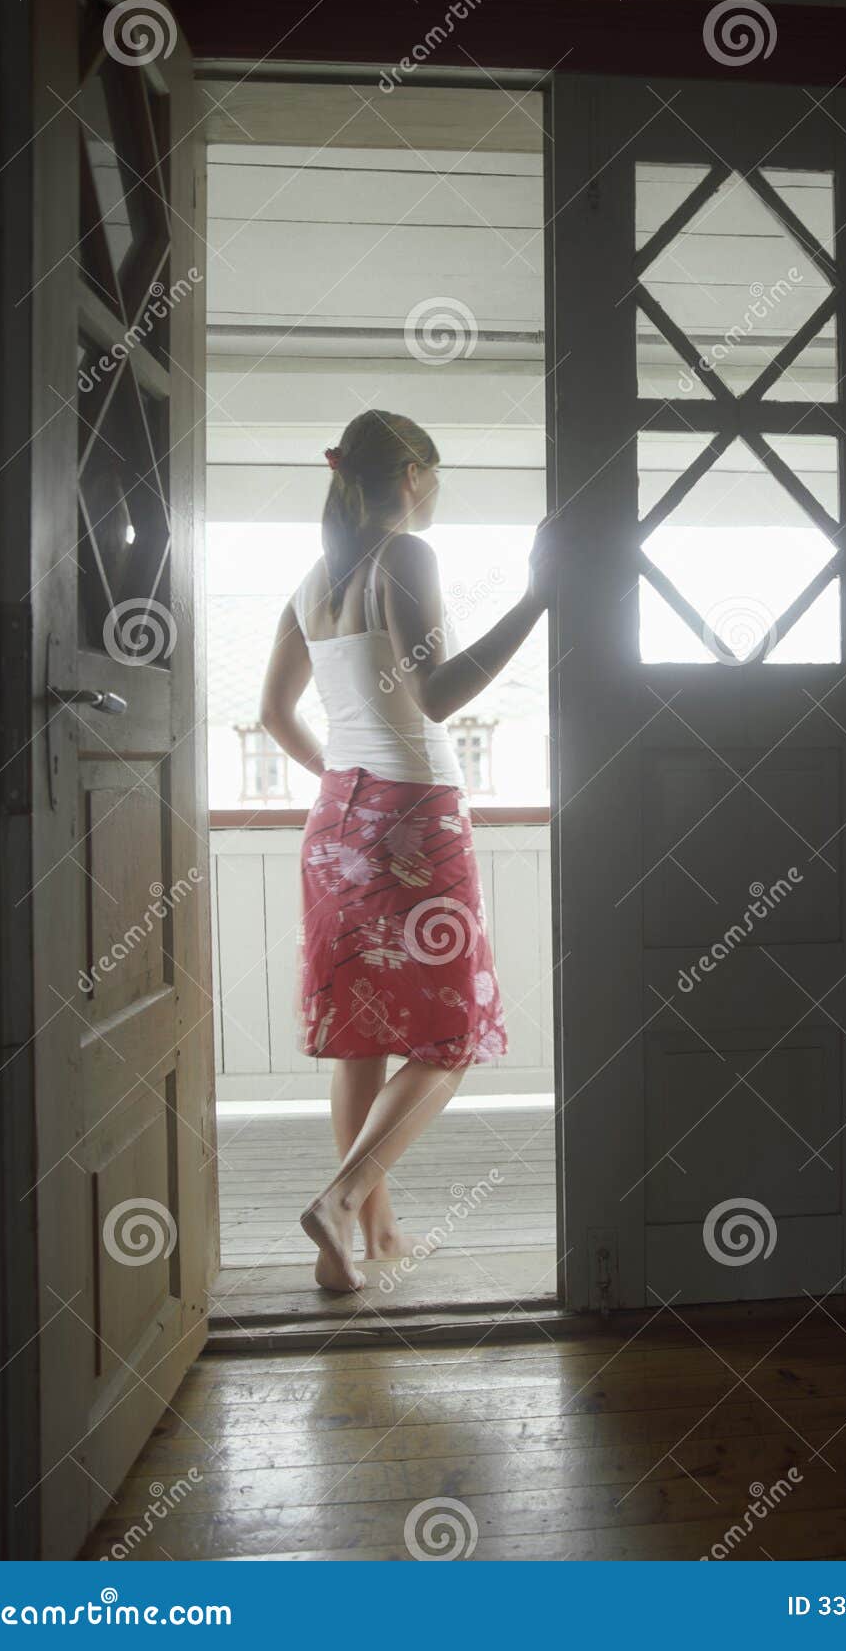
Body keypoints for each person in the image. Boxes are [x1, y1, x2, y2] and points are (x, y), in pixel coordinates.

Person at [259, 408, 553, 1292]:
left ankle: (369, 1241)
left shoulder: (313, 578)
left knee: (361, 1037)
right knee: (451, 1038)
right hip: (415, 817)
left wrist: (348, 789)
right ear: (414, 477)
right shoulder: (407, 556)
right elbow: (436, 695)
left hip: (335, 822)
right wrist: (537, 598)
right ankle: (346, 1201)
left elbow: (276, 714)